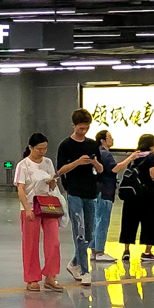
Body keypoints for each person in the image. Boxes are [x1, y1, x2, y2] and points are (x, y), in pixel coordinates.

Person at [55, 109, 103, 286]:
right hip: (74, 192)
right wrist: (77, 162)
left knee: (90, 232)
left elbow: (100, 169)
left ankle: (75, 262)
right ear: (74, 125)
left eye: (87, 128)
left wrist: (94, 162)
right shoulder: (66, 145)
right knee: (80, 232)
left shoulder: (92, 144)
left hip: (91, 192)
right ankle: (84, 270)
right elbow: (60, 171)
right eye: (81, 128)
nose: (84, 131)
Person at [15, 132, 64, 293]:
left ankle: (51, 276)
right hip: (30, 206)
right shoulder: (23, 165)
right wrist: (27, 208)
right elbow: (21, 188)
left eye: (45, 148)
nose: (42, 152)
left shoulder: (48, 162)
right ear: (31, 148)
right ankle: (32, 278)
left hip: (48, 205)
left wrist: (51, 183)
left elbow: (52, 185)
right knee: (30, 243)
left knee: (53, 241)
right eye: (39, 149)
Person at [114, 133, 154, 263]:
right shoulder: (152, 158)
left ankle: (126, 251)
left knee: (129, 222)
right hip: (146, 195)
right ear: (152, 144)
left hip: (131, 195)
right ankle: (147, 252)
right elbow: (153, 175)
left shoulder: (134, 157)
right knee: (149, 222)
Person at [93, 129, 118, 264]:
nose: (112, 139)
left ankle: (93, 249)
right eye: (109, 137)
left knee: (96, 220)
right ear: (103, 141)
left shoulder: (97, 154)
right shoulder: (106, 155)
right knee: (103, 221)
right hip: (106, 191)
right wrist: (131, 158)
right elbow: (114, 169)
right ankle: (100, 251)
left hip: (97, 190)